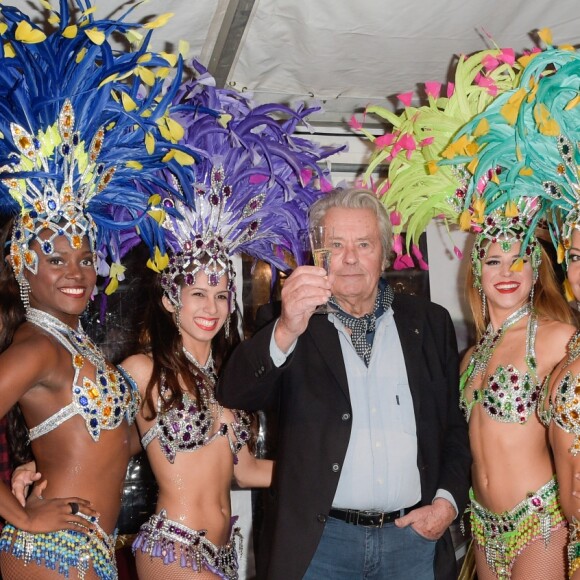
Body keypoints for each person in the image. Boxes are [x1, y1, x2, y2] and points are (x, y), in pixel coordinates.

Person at [0, 1, 193, 577]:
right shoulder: (37, 345)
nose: (76, 270)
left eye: (85, 257)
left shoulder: (75, 346)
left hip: (90, 549)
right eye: (55, 257)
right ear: (21, 264)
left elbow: (108, 446)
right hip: (50, 551)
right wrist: (21, 516)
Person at [125, 66, 341, 579]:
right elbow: (101, 446)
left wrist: (326, 474)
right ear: (171, 299)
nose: (212, 307)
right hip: (172, 547)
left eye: (222, 295)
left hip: (225, 551)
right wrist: (37, 468)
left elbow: (243, 468)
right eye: (198, 293)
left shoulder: (231, 373)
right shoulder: (140, 370)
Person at [217, 186, 471, 580]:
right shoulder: (288, 321)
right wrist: (286, 328)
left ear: (385, 254)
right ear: (318, 255)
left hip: (413, 542)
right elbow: (233, 393)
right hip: (320, 546)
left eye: (364, 244)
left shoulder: (430, 322)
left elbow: (454, 430)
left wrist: (447, 504)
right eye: (336, 244)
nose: (350, 258)